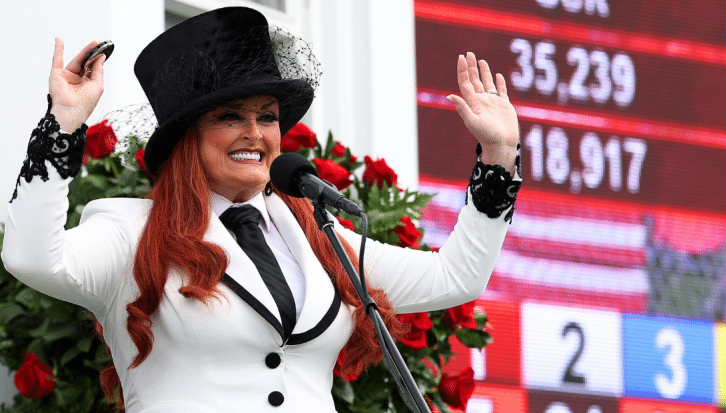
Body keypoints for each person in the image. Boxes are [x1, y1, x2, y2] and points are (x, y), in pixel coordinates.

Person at [2, 7, 520, 413]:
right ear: (187, 139)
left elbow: (457, 277)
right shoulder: (128, 232)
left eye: (267, 117)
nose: (255, 133)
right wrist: (62, 126)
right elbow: (32, 258)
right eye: (230, 117)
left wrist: (498, 158)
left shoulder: (320, 236)